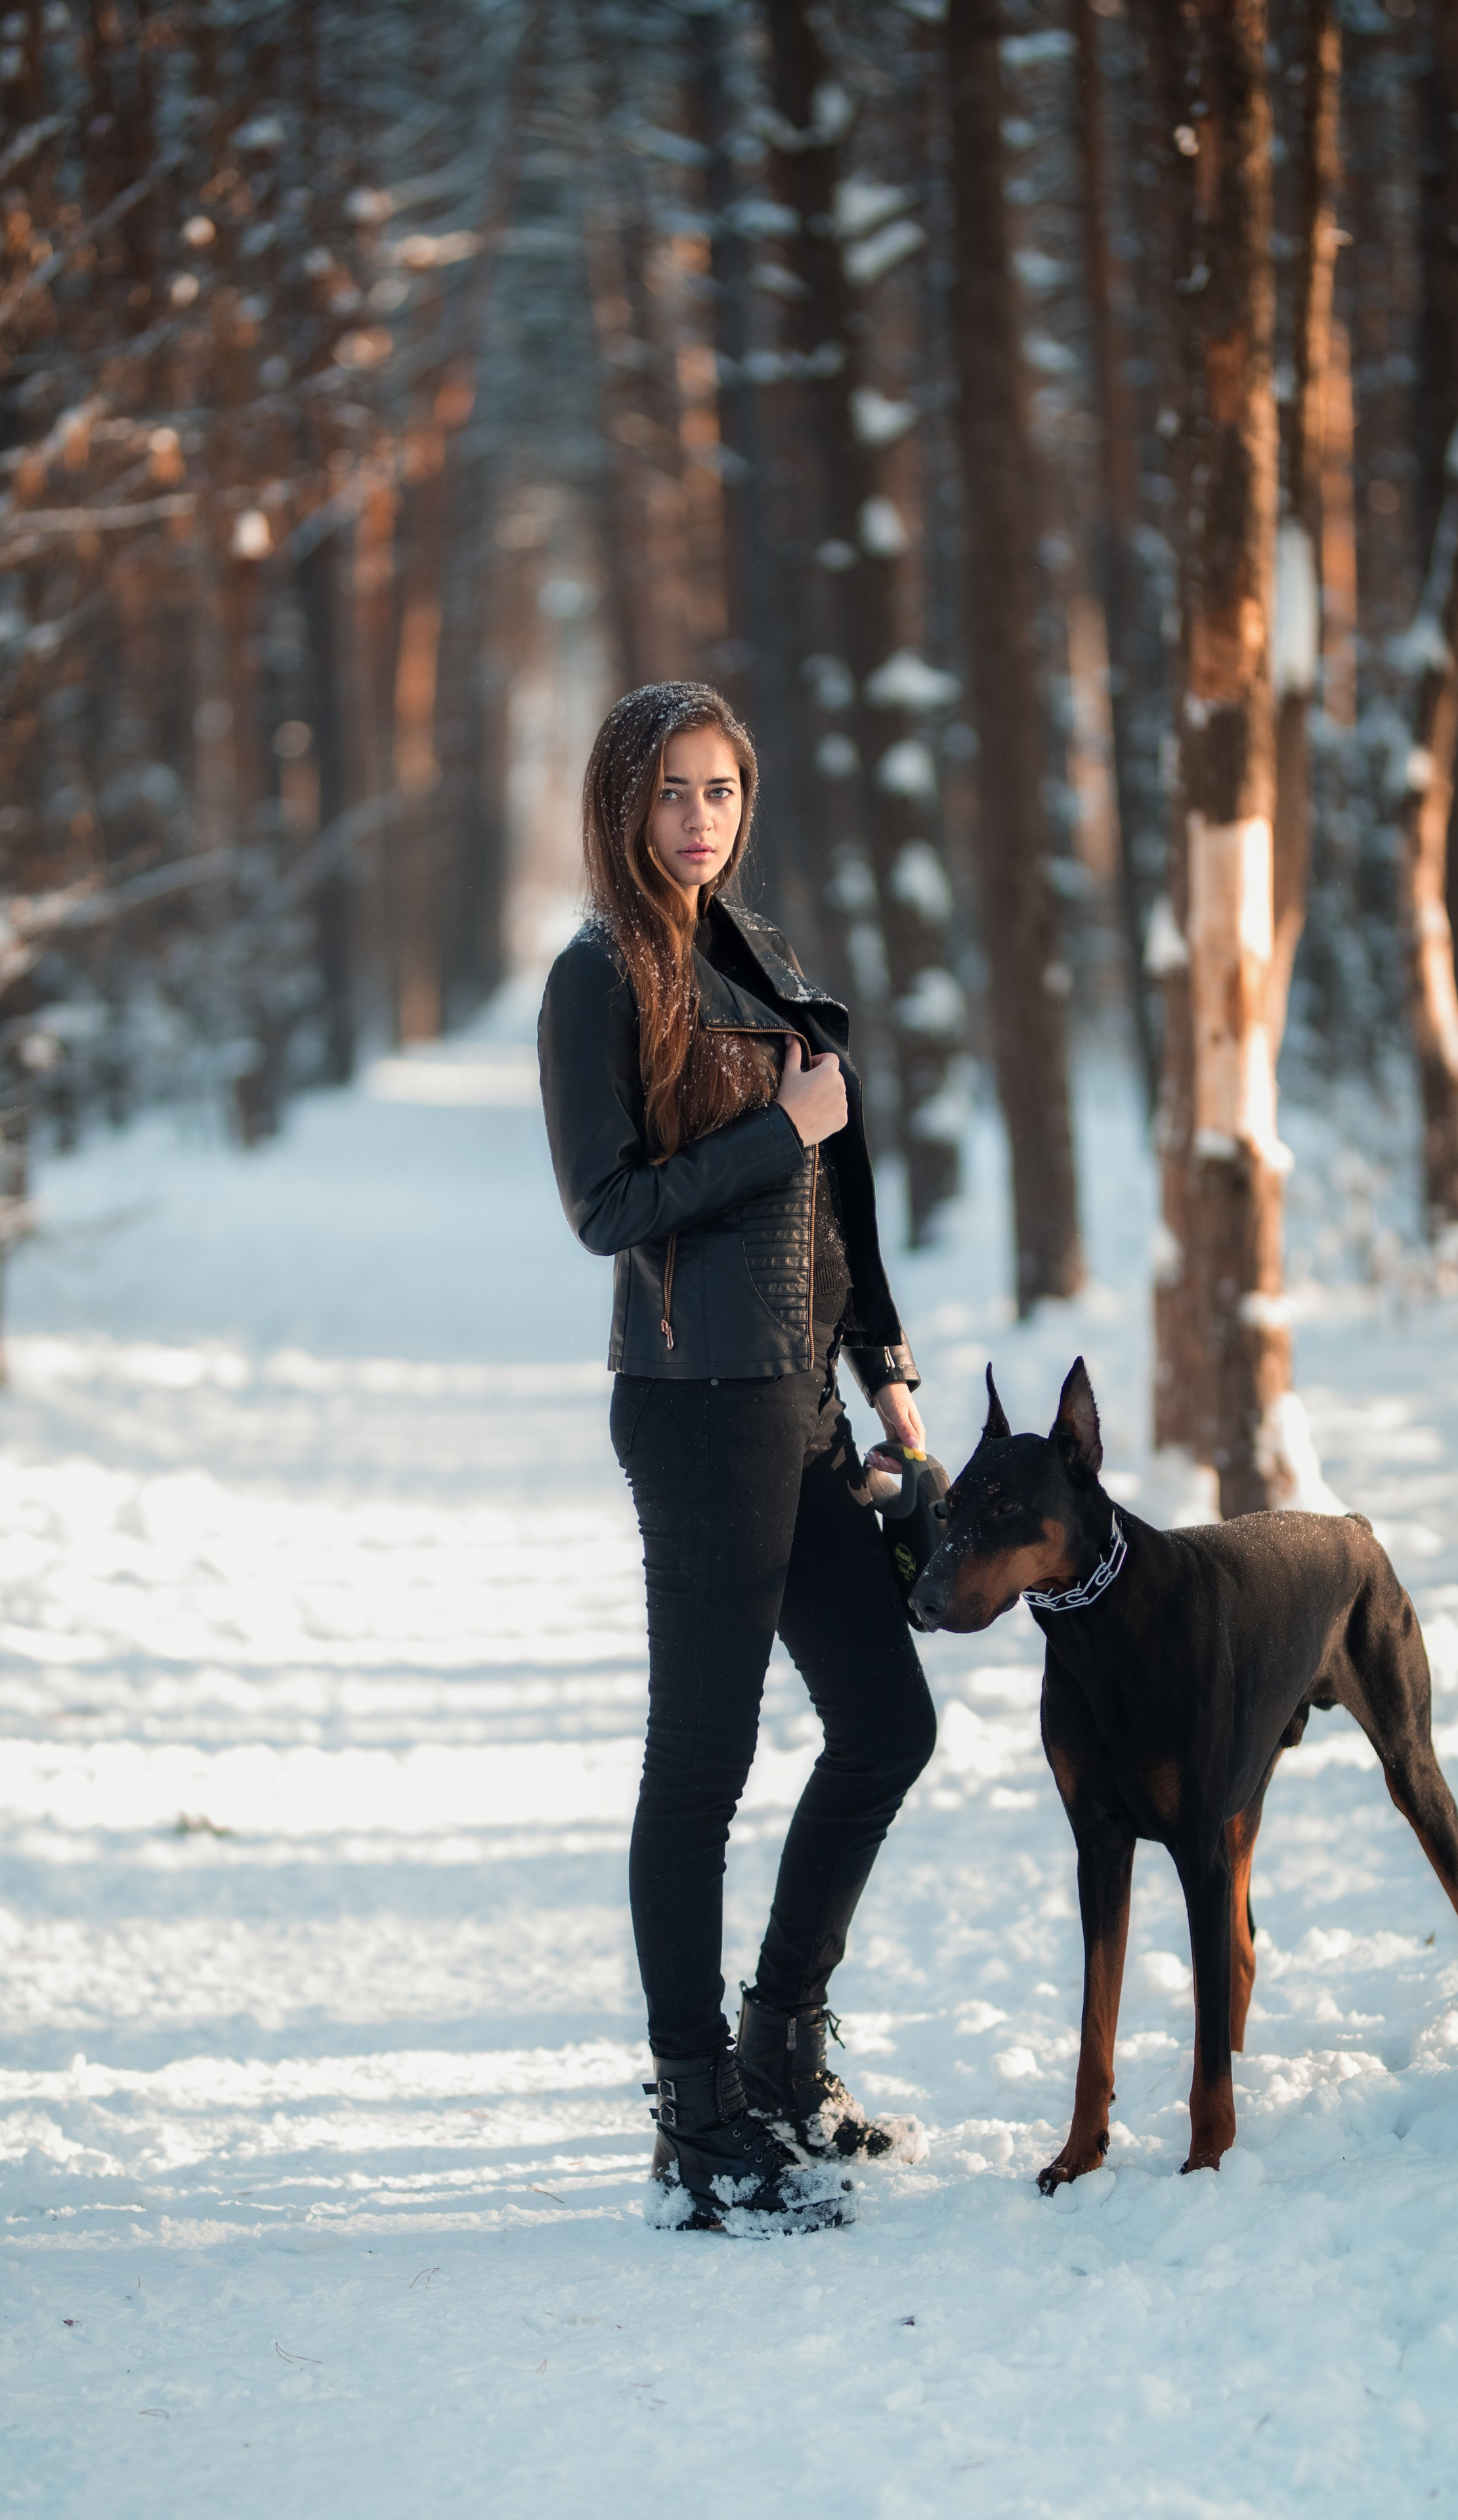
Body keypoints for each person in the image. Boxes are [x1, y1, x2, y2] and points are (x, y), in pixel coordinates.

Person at [538, 681, 937, 2231]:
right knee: (700, 1762)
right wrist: (779, 1130)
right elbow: (606, 1209)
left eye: (720, 790)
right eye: (671, 791)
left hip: (804, 1398)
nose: (699, 818)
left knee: (885, 1723)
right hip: (697, 1400)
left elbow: (842, 1190)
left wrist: (884, 1367)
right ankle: (694, 2115)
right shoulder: (596, 976)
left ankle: (778, 2044)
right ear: (620, 805)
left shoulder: (752, 957)